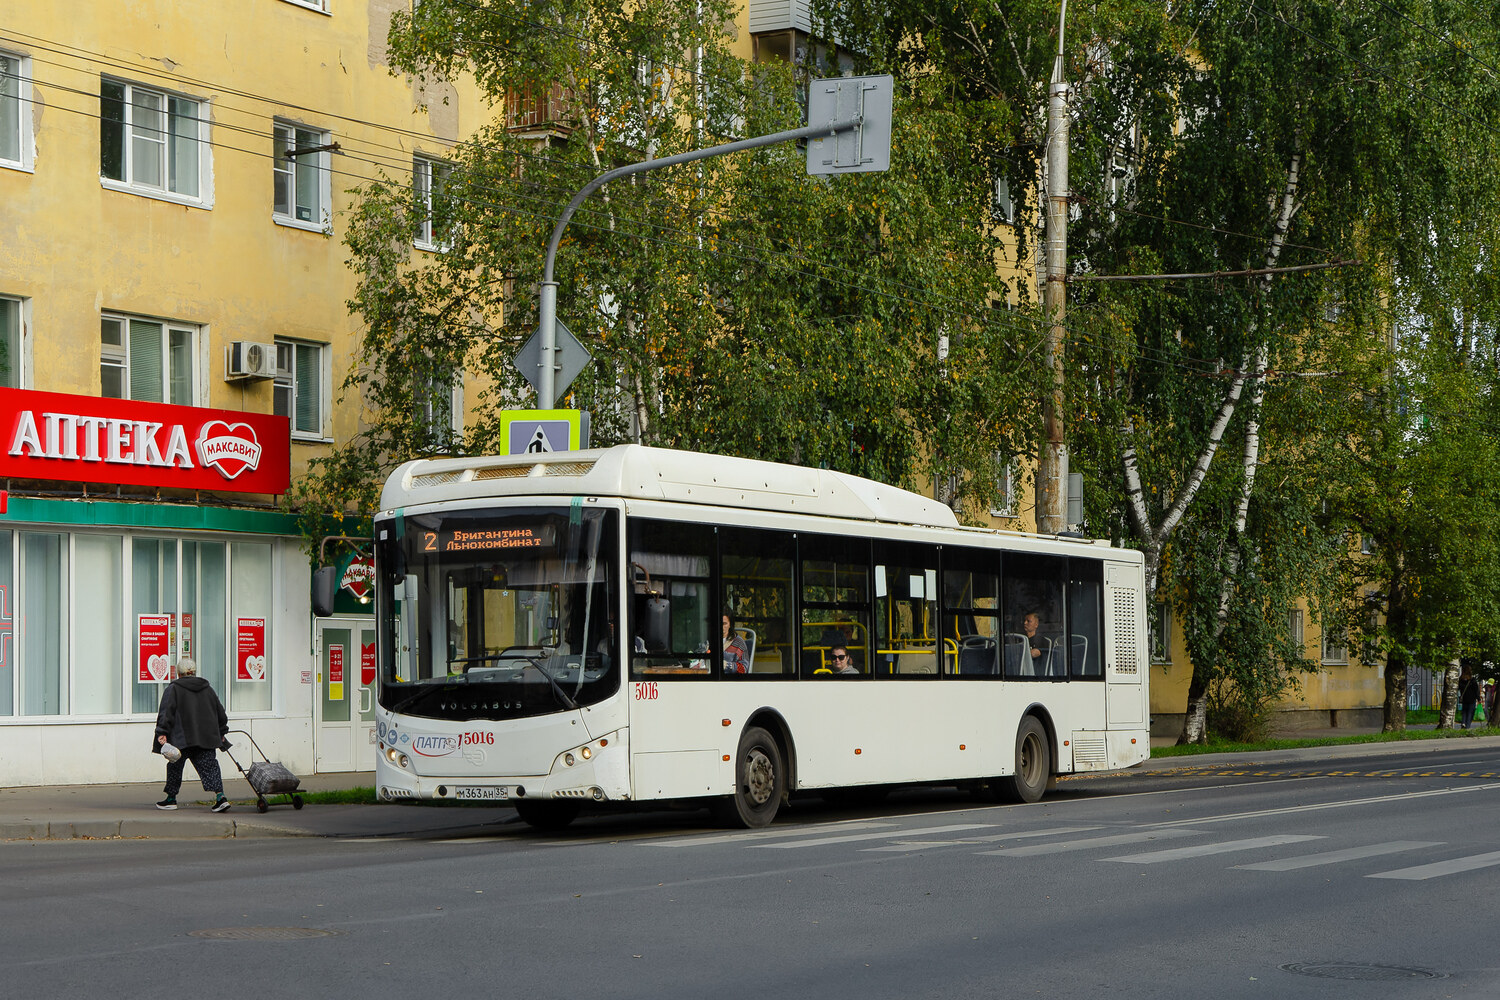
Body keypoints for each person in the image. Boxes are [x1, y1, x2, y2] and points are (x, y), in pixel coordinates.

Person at [152, 658, 231, 812]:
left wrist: (162, 732)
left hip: (181, 738)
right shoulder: (207, 689)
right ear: (194, 673)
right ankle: (220, 797)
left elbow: (166, 712)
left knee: (175, 766)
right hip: (205, 737)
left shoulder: (173, 688)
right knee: (210, 766)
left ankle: (171, 799)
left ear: (179, 674)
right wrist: (222, 731)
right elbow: (220, 712)